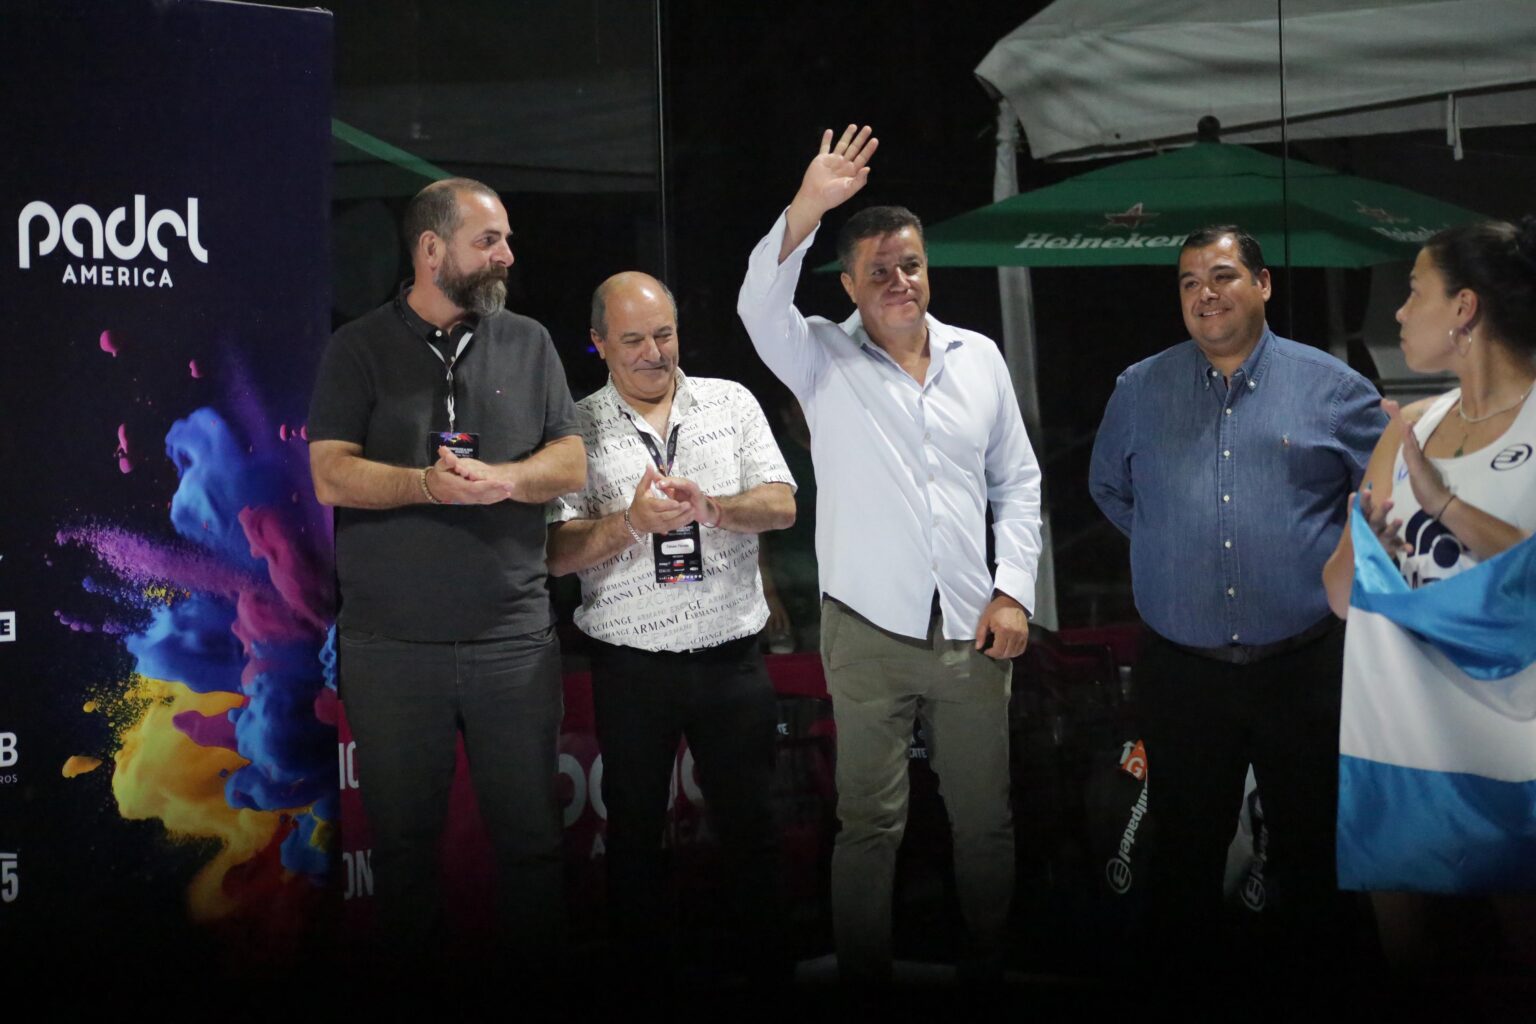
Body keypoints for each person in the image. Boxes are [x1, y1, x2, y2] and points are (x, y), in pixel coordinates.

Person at [737, 125, 1043, 986]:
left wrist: (1014, 591)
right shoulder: (819, 357)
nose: (900, 280)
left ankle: (992, 973)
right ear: (848, 285)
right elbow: (757, 305)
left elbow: (1019, 484)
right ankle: (865, 982)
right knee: (868, 824)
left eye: (910, 264)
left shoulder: (979, 358)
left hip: (973, 628)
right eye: (879, 271)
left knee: (986, 821)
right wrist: (807, 206)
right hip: (867, 628)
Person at [1088, 225, 1385, 977]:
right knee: (1183, 853)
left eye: (1222, 276)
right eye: (1189, 282)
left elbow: (1385, 501)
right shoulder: (1139, 389)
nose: (1205, 295)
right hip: (1182, 670)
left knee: (1318, 853)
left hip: (1304, 664)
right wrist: (1173, 546)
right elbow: (1109, 488)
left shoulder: (1334, 389)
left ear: (1263, 284)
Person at [306, 178, 585, 968]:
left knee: (533, 845)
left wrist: (506, 479)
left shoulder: (529, 342)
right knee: (403, 856)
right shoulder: (357, 347)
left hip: (513, 643)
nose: (507, 255)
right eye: (488, 241)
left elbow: (570, 460)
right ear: (431, 250)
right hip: (392, 650)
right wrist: (425, 485)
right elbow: (330, 474)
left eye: (506, 240)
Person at [546, 271, 797, 988]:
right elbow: (555, 552)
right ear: (598, 344)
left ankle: (768, 977)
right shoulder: (574, 427)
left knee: (753, 826)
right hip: (632, 666)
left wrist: (715, 509)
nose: (654, 353)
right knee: (633, 836)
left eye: (664, 334)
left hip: (732, 656)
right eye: (632, 340)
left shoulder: (731, 401)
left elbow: (782, 505)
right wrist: (630, 523)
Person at [1321, 218, 1536, 971]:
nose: (1400, 311)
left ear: (1465, 308)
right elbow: (1340, 597)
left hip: (1515, 728)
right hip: (1405, 725)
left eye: (1415, 292)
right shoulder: (1411, 425)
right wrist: (1369, 553)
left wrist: (1444, 505)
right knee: (1407, 961)